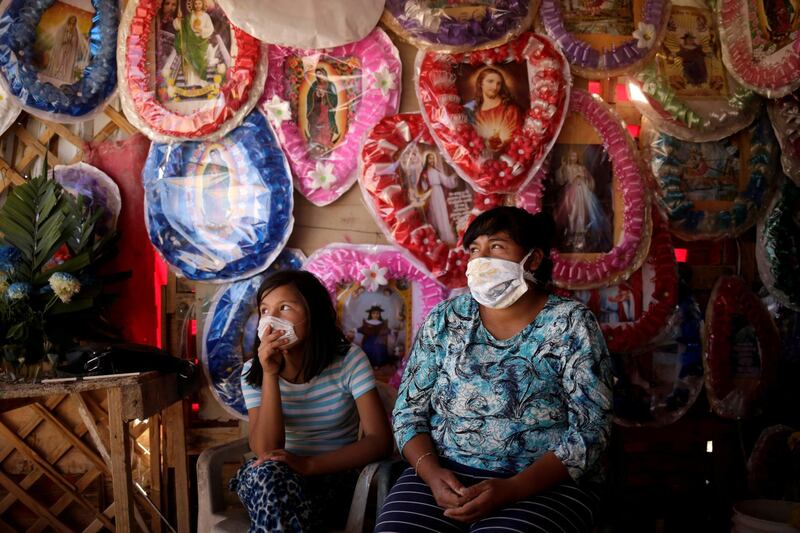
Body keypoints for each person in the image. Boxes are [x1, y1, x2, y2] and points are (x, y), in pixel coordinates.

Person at [375, 206, 612, 532]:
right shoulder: (447, 318)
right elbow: (407, 413)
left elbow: (591, 429)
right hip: (445, 474)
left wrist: (513, 489)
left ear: (533, 259)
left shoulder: (570, 323)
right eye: (474, 249)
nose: (481, 259)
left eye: (497, 246)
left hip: (540, 482)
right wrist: (432, 475)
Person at [231, 271, 393, 531]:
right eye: (265, 310)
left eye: (284, 307)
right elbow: (266, 450)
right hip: (273, 479)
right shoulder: (254, 371)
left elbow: (379, 441)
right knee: (269, 476)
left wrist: (308, 465)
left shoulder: (349, 360)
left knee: (276, 498)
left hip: (334, 480)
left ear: (313, 313)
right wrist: (270, 375)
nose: (272, 320)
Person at [554, 150, 612, 252]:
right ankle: (571, 237)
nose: (574, 158)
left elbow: (590, 180)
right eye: (572, 155)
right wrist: (563, 167)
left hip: (583, 192)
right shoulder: (567, 167)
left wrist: (583, 178)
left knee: (584, 213)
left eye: (575, 156)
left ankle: (582, 238)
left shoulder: (582, 168)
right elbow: (560, 179)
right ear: (569, 157)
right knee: (572, 213)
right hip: (571, 192)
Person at [466, 68, 523, 153]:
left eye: (498, 83)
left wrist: (505, 143)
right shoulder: (471, 110)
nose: (495, 87)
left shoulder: (510, 109)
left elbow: (519, 136)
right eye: (490, 81)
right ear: (481, 83)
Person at [417, 152, 460, 244]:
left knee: (442, 212)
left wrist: (453, 177)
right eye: (430, 158)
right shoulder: (424, 173)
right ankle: (438, 236)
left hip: (439, 192)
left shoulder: (436, 171)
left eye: (433, 158)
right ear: (426, 160)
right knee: (434, 213)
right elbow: (423, 187)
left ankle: (446, 236)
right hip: (431, 194)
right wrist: (424, 181)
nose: (431, 160)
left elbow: (446, 181)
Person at [173, 0, 214, 87]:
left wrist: (201, 30)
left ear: (203, 4)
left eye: (199, 3)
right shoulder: (190, 16)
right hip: (191, 43)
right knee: (191, 63)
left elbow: (210, 29)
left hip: (201, 43)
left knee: (201, 62)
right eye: (196, 3)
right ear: (193, 4)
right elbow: (183, 27)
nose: (198, 5)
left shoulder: (206, 16)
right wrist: (179, 20)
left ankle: (201, 82)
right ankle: (191, 83)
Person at [305, 67, 340, 156]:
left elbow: (334, 98)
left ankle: (325, 145)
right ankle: (316, 144)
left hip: (327, 110)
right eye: (317, 74)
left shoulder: (331, 85)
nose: (319, 76)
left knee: (326, 126)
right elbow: (309, 97)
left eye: (320, 73)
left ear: (324, 74)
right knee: (316, 125)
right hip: (316, 110)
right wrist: (315, 95)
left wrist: (326, 95)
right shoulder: (314, 85)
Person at [44, 15, 89, 84]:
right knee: (60, 60)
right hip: (62, 48)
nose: (72, 22)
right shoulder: (63, 28)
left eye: (74, 21)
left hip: (70, 49)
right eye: (72, 20)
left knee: (66, 62)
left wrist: (71, 40)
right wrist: (64, 40)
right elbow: (59, 38)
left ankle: (63, 75)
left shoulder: (75, 30)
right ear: (69, 19)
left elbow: (75, 42)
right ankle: (56, 73)